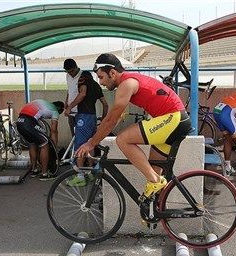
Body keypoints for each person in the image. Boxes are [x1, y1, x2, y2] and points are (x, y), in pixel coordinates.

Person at [76, 53, 191, 201]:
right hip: (175, 120)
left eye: (101, 77)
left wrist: (91, 143)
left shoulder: (126, 84)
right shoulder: (130, 81)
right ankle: (156, 213)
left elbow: (110, 119)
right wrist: (102, 133)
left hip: (172, 119)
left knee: (123, 140)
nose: (100, 82)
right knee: (154, 170)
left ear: (112, 72)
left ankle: (156, 182)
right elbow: (116, 117)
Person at [65, 70, 109, 187]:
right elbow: (105, 104)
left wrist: (69, 107)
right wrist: (104, 119)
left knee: (79, 146)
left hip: (83, 117)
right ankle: (90, 172)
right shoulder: (95, 85)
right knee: (90, 144)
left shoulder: (83, 79)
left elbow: (83, 93)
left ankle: (80, 177)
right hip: (92, 118)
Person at [16, 99, 65, 181]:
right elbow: (54, 130)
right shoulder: (55, 111)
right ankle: (44, 174)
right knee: (45, 144)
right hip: (29, 122)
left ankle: (34, 170)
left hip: (20, 122)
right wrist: (54, 147)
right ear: (60, 109)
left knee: (32, 144)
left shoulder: (44, 104)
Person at [63, 58, 82, 137]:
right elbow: (69, 90)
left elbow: (82, 94)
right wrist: (66, 101)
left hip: (81, 111)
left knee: (81, 135)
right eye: (68, 72)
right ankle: (75, 149)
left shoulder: (83, 76)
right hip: (70, 111)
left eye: (72, 71)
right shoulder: (68, 76)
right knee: (73, 135)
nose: (70, 74)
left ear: (76, 67)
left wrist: (70, 107)